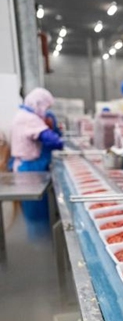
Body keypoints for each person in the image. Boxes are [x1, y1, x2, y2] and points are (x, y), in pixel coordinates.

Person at [10, 88, 63, 222]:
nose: (46, 111)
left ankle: (39, 236)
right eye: (46, 107)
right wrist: (60, 139)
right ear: (39, 104)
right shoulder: (29, 119)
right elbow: (51, 140)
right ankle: (40, 239)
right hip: (30, 167)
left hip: (26, 165)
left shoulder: (23, 115)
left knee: (35, 208)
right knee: (36, 210)